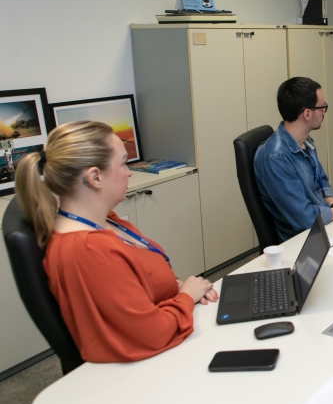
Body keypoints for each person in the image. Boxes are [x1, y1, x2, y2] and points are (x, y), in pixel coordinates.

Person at [14, 121, 217, 363]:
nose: (129, 171)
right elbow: (151, 334)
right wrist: (186, 296)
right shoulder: (86, 250)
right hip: (149, 361)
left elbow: (135, 275)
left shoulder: (104, 220)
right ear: (95, 177)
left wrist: (178, 288)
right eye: (122, 163)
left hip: (171, 317)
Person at [254, 77, 333, 242]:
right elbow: (305, 218)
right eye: (322, 107)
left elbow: (321, 181)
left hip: (323, 225)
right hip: (303, 239)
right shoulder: (276, 158)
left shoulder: (305, 142)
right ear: (307, 113)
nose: (323, 112)